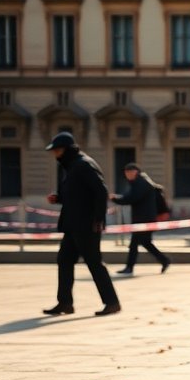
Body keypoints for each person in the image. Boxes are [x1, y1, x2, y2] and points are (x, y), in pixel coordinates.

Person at [42, 131, 121, 317]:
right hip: (73, 225)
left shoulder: (83, 165)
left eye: (57, 150)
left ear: (67, 150)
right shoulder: (72, 166)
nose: (55, 154)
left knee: (94, 263)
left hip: (86, 225)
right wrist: (59, 198)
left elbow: (101, 192)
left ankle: (112, 302)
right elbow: (78, 195)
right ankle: (65, 303)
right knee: (64, 261)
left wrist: (99, 219)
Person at [110, 162, 171, 275]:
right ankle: (164, 260)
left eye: (128, 173)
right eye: (125, 173)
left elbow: (131, 198)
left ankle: (129, 267)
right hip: (144, 219)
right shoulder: (139, 182)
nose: (126, 175)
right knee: (146, 243)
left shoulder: (141, 183)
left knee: (134, 244)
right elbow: (130, 197)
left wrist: (115, 198)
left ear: (134, 172)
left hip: (144, 220)